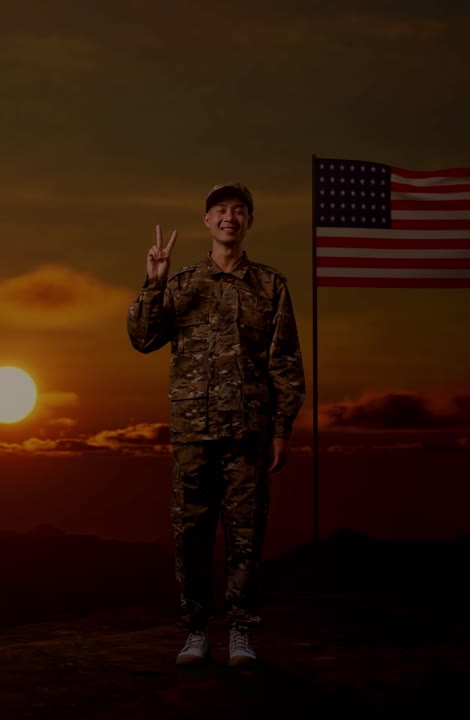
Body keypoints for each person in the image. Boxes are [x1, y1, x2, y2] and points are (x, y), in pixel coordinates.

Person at [126, 182, 306, 667]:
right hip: (193, 432)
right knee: (192, 534)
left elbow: (285, 362)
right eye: (221, 210)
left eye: (239, 210)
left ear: (249, 221)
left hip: (249, 431)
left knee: (246, 534)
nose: (230, 217)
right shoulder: (183, 284)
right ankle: (196, 630)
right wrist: (154, 282)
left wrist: (282, 429)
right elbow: (142, 339)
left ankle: (241, 631)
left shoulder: (270, 285)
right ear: (207, 221)